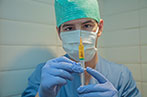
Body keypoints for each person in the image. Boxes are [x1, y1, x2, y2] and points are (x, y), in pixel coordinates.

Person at [22, 0, 141, 97]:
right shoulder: (45, 73)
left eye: (87, 25)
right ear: (59, 33)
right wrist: (42, 95)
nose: (79, 36)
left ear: (99, 28)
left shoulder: (121, 75)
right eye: (69, 28)